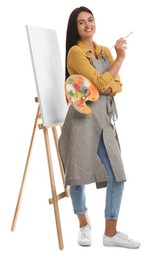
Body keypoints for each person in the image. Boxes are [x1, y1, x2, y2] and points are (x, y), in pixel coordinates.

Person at [58, 6, 140, 249]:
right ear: (75, 28)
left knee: (117, 175)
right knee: (78, 175)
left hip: (104, 120)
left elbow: (116, 86)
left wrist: (108, 79)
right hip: (81, 120)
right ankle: (83, 224)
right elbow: (99, 83)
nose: (87, 25)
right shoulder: (75, 53)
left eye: (90, 20)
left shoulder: (104, 51)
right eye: (81, 22)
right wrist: (118, 63)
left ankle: (111, 233)